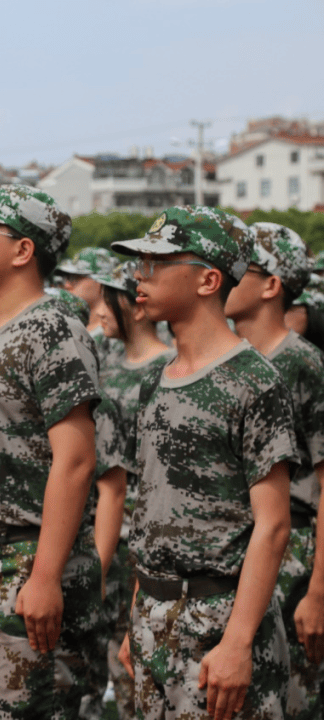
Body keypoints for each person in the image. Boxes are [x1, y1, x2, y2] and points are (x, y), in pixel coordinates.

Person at [112, 206, 297, 720]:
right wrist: (138, 615)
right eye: (138, 264)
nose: (138, 278)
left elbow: (274, 525)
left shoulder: (253, 381)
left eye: (155, 264)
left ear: (208, 279)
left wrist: (237, 644)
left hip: (219, 620)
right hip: (155, 613)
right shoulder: (157, 378)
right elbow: (150, 509)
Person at [0, 184, 102, 718]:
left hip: (27, 562)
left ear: (22, 250)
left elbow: (75, 460)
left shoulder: (54, 330)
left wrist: (47, 575)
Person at [224, 222, 324, 720]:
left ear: (272, 285)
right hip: (239, 549)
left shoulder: (303, 364)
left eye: (244, 268)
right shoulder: (229, 361)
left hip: (294, 553)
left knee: (292, 700)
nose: (228, 275)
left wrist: (318, 591)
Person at [90, 260, 174, 718]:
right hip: (104, 526)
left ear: (138, 307)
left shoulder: (167, 369)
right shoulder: (106, 365)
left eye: (110, 298)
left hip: (144, 536)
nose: (100, 309)